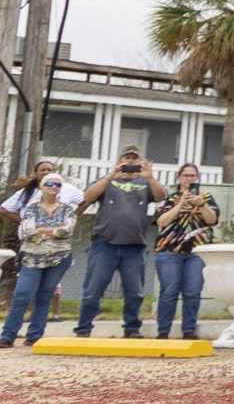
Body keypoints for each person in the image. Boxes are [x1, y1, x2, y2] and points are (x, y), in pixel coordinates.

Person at [72, 148, 168, 339]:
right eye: (127, 158)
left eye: (134, 158)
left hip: (134, 245)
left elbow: (160, 196)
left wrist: (149, 177)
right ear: (119, 160)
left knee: (134, 292)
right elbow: (87, 197)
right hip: (104, 244)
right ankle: (83, 329)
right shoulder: (107, 181)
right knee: (93, 290)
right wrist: (111, 175)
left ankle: (131, 328)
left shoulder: (145, 182)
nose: (130, 162)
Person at [0, 169, 78, 347]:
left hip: (59, 258)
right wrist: (52, 232)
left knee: (44, 295)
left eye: (57, 184)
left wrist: (43, 230)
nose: (53, 187)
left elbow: (67, 230)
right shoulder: (31, 208)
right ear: (41, 187)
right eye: (49, 183)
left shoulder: (68, 210)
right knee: (22, 294)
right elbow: (28, 231)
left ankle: (34, 335)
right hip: (31, 257)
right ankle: (8, 335)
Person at [151, 164, 220, 341]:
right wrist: (180, 204)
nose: (189, 178)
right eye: (186, 175)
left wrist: (202, 205)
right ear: (179, 177)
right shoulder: (169, 198)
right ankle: (163, 332)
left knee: (192, 292)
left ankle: (189, 331)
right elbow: (161, 221)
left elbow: (212, 220)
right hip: (169, 251)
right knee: (169, 292)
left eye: (192, 175)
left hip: (196, 252)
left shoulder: (206, 197)